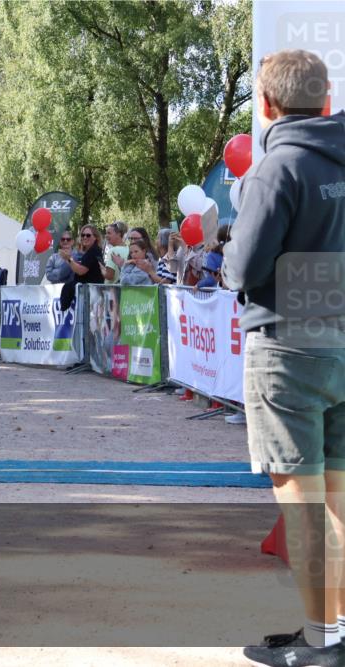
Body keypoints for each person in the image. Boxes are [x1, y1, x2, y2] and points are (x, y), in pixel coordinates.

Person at [222, 49, 345, 667]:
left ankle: (325, 642)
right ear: (325, 100)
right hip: (342, 339)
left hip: (289, 347)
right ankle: (336, 631)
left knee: (303, 504)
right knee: (336, 503)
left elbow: (241, 269)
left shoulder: (278, 166)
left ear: (266, 106)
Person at [59, 224, 104, 311]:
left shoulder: (93, 251)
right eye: (83, 235)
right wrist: (69, 260)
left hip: (90, 294)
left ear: (95, 237)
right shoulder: (92, 251)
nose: (85, 237)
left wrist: (68, 259)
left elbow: (81, 271)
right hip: (89, 293)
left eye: (88, 235)